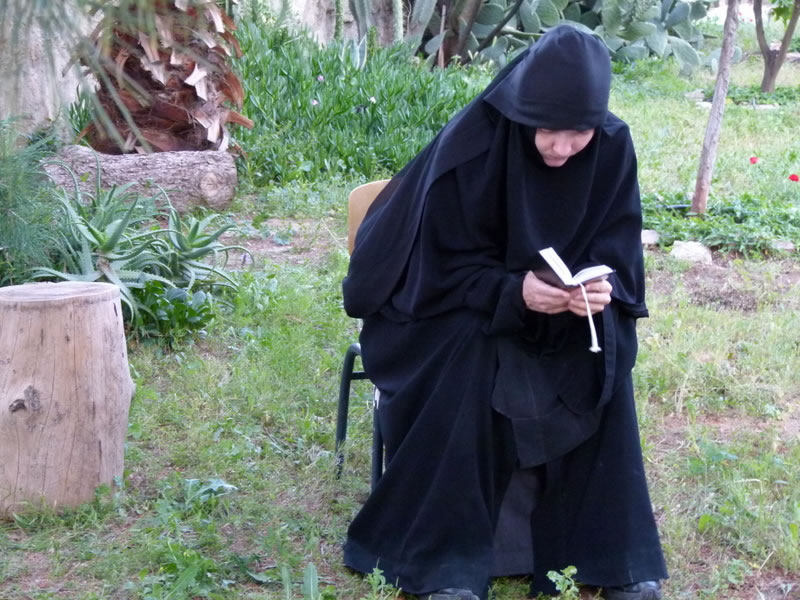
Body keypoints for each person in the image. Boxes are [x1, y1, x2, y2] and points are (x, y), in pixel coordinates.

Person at [341, 25, 667, 600]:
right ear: (521, 112)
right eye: (548, 130)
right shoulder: (475, 145)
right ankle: (443, 566)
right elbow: (433, 270)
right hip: (451, 310)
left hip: (562, 313)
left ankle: (610, 558)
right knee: (476, 349)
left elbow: (619, 251)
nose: (561, 149)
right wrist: (513, 293)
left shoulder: (613, 145)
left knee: (603, 346)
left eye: (578, 134)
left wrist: (600, 289)